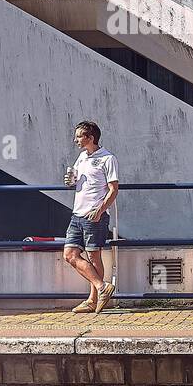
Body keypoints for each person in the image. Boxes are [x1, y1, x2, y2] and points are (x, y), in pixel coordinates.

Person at [62, 120, 119, 314]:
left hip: (94, 215)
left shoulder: (108, 158)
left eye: (79, 136)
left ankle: (93, 300)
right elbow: (75, 180)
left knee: (94, 256)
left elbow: (113, 190)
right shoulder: (81, 157)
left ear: (90, 137)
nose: (76, 139)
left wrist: (100, 210)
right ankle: (102, 287)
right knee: (69, 255)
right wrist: (70, 181)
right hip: (77, 214)